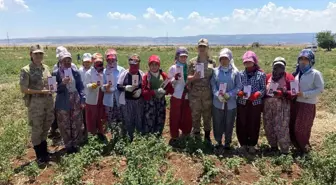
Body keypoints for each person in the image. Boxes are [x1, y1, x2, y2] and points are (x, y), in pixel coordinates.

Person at [19, 44, 54, 163]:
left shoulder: (46, 68)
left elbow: (50, 83)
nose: (39, 56)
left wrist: (53, 87)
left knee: (46, 125)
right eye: (36, 53)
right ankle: (39, 155)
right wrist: (41, 91)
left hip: (48, 103)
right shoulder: (26, 70)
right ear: (31, 55)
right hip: (35, 104)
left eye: (41, 53)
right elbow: (24, 89)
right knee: (37, 128)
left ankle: (44, 151)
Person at [52, 51, 86, 154]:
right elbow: (53, 89)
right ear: (60, 61)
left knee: (76, 122)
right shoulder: (55, 73)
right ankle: (68, 145)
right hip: (62, 101)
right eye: (64, 60)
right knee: (64, 123)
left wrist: (83, 99)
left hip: (75, 99)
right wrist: (62, 83)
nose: (67, 62)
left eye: (69, 60)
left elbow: (80, 86)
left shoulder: (75, 72)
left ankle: (76, 144)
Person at [292, 49, 324, 155]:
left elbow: (320, 89)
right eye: (301, 59)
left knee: (301, 129)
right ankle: (299, 148)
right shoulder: (297, 73)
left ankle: (305, 150)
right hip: (296, 103)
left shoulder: (315, 73)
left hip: (308, 104)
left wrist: (304, 94)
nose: (303, 61)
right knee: (293, 126)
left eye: (306, 59)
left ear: (311, 61)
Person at [210, 48, 241, 150]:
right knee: (217, 122)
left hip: (231, 103)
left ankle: (227, 142)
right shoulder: (215, 72)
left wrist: (230, 94)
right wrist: (217, 94)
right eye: (222, 58)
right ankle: (218, 141)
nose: (224, 60)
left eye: (226, 58)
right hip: (217, 102)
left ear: (230, 59)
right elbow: (213, 85)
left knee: (229, 122)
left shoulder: (235, 72)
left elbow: (238, 86)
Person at [236, 51, 266, 154]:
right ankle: (243, 144)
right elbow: (237, 87)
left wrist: (257, 94)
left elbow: (263, 89)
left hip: (255, 103)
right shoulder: (240, 74)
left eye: (250, 62)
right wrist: (239, 93)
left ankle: (252, 144)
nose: (248, 64)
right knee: (241, 123)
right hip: (242, 103)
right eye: (246, 62)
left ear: (254, 62)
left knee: (254, 123)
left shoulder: (261, 74)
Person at [263, 57, 294, 154]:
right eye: (276, 66)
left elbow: (294, 92)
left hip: (282, 107)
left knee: (282, 127)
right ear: (273, 66)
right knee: (269, 125)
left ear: (284, 67)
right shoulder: (268, 77)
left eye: (281, 66)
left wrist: (283, 93)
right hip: (268, 107)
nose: (278, 68)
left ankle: (284, 150)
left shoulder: (289, 77)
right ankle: (273, 147)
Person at [187, 38, 215, 143]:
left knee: (207, 115)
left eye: (204, 46)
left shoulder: (213, 62)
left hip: (208, 93)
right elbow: (186, 78)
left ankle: (207, 137)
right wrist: (193, 77)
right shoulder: (192, 62)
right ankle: (197, 136)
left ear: (208, 48)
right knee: (195, 115)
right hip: (195, 93)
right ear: (197, 48)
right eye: (200, 46)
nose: (202, 48)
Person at [49, 46, 78, 138]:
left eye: (67, 59)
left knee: (73, 116)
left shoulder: (73, 67)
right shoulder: (55, 69)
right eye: (61, 59)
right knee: (60, 114)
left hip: (73, 95)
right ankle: (56, 130)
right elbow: (53, 87)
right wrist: (61, 83)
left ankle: (74, 136)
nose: (65, 62)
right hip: (61, 96)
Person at [142, 55, 173, 136]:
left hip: (161, 101)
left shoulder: (163, 75)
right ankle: (149, 136)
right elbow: (143, 92)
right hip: (150, 102)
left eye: (156, 64)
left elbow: (169, 87)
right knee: (149, 118)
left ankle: (158, 135)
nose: (154, 67)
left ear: (159, 65)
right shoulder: (146, 77)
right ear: (149, 65)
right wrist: (154, 92)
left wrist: (165, 92)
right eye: (152, 65)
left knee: (160, 118)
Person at [168, 47, 193, 146]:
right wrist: (175, 79)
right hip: (177, 95)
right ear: (177, 57)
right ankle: (174, 136)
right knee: (175, 116)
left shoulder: (189, 67)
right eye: (181, 56)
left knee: (186, 116)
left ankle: (186, 134)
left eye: (185, 56)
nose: (183, 58)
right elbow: (169, 82)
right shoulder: (173, 68)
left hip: (187, 95)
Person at [117, 54, 144, 141]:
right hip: (127, 102)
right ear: (129, 64)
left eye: (136, 65)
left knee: (139, 120)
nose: (134, 67)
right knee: (128, 121)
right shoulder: (124, 73)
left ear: (139, 64)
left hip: (139, 102)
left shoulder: (141, 74)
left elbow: (146, 86)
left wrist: (141, 91)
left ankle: (139, 139)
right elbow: (118, 86)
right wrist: (125, 88)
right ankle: (129, 139)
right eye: (132, 65)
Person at [84, 53, 106, 141]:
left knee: (100, 116)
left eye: (100, 62)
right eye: (97, 62)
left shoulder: (104, 72)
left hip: (102, 96)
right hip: (92, 98)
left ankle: (101, 133)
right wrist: (92, 85)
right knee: (91, 117)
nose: (99, 64)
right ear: (93, 62)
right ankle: (91, 135)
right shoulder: (89, 73)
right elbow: (86, 85)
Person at [101, 49, 125, 131]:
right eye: (109, 60)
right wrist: (105, 87)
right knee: (111, 120)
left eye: (113, 60)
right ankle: (113, 137)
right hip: (109, 100)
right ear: (106, 60)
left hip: (119, 99)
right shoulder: (104, 71)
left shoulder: (122, 70)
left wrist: (122, 87)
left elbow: (124, 84)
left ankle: (121, 138)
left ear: (116, 59)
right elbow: (102, 87)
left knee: (121, 118)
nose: (111, 62)